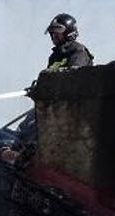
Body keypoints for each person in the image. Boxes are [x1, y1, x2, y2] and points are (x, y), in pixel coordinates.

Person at [17, 14, 95, 145]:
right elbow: (49, 79)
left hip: (68, 109)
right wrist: (37, 90)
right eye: (52, 33)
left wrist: (44, 89)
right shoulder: (55, 56)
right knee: (23, 129)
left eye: (57, 32)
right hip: (50, 105)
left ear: (69, 33)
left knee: (34, 134)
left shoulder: (78, 52)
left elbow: (72, 80)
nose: (53, 36)